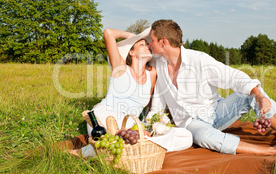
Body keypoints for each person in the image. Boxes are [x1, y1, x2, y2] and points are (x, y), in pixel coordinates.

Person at [147, 19, 276, 156]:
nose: (149, 44)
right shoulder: (159, 65)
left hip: (216, 112)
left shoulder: (199, 60)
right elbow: (157, 104)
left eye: (152, 40)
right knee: (204, 137)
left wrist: (259, 96)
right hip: (190, 123)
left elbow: (234, 77)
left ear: (164, 41)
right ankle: (268, 151)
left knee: (253, 93)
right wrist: (150, 127)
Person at [71, 27, 192, 158]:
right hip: (105, 116)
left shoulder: (152, 73)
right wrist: (132, 36)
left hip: (131, 124)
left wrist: (153, 125)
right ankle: (91, 151)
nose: (147, 46)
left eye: (148, 45)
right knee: (112, 137)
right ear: (131, 53)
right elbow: (108, 33)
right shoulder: (121, 68)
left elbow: (150, 106)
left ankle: (114, 149)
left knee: (186, 137)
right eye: (142, 44)